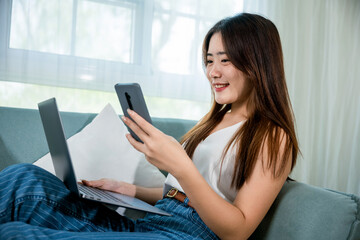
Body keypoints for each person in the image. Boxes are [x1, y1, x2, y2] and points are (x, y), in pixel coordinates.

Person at [0, 13, 299, 239]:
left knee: (15, 233)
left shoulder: (274, 136)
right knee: (22, 178)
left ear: (258, 63)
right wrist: (125, 189)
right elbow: (181, 195)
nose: (213, 72)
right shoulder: (215, 120)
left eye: (225, 60)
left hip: (186, 235)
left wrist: (181, 165)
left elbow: (238, 231)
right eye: (209, 61)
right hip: (153, 221)